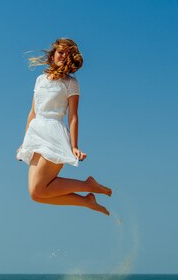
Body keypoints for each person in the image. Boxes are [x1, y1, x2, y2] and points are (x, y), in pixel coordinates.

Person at [16, 38, 112, 215]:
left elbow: (73, 116)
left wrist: (74, 146)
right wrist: (24, 142)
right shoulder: (39, 80)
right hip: (36, 133)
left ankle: (87, 185)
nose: (63, 56)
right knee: (36, 194)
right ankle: (86, 201)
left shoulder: (70, 83)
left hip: (53, 135)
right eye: (61, 52)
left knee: (39, 187)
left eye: (67, 54)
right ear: (53, 54)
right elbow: (33, 112)